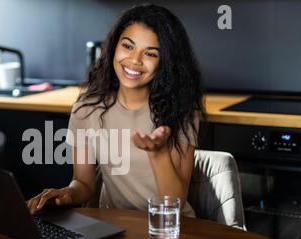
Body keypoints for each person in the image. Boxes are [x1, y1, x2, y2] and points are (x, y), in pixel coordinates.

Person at [27, 4, 204, 216]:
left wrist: (159, 153)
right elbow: (83, 183)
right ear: (113, 47)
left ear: (165, 62)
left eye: (150, 53)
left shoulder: (182, 110)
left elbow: (175, 201)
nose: (134, 60)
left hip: (171, 229)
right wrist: (66, 194)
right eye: (128, 46)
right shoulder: (87, 109)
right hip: (118, 228)